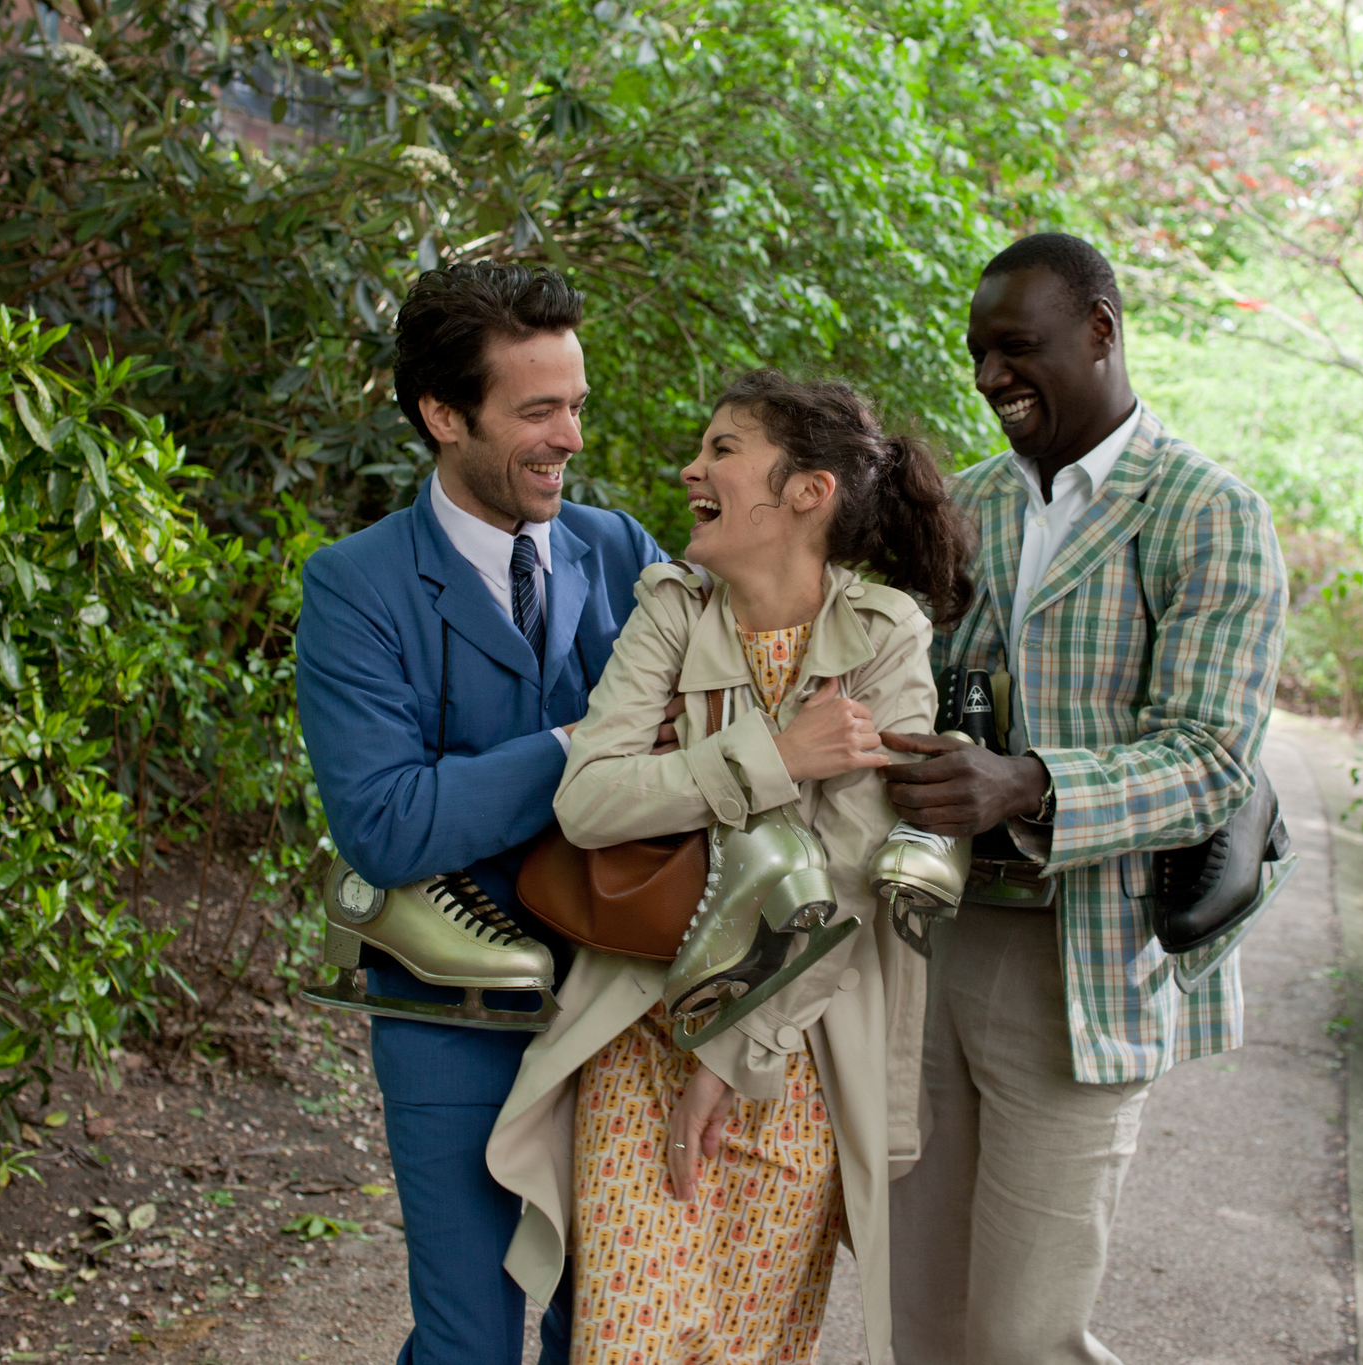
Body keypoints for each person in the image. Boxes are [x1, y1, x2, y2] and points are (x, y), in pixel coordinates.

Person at [485, 372, 975, 1365]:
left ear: (807, 491)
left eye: (721, 449)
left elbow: (845, 878)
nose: (691, 468)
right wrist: (779, 758)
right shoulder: (671, 609)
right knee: (624, 1344)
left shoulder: (885, 637)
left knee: (744, 1349)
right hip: (638, 1023)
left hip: (795, 1047)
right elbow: (587, 803)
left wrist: (726, 1054)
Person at [881, 233, 1288, 1364]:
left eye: (1016, 348)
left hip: (1084, 966)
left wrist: (1027, 782)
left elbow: (1211, 757)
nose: (988, 378)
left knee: (1021, 1337)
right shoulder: (958, 505)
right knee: (919, 1319)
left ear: (1101, 331)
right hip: (934, 946)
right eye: (975, 355)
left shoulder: (1207, 513)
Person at [294, 261, 665, 1365]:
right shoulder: (353, 587)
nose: (570, 437)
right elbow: (388, 825)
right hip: (448, 1013)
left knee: (596, 1327)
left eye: (577, 404)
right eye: (537, 410)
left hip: (619, 996)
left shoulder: (620, 548)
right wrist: (582, 748)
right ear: (443, 416)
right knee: (468, 1342)